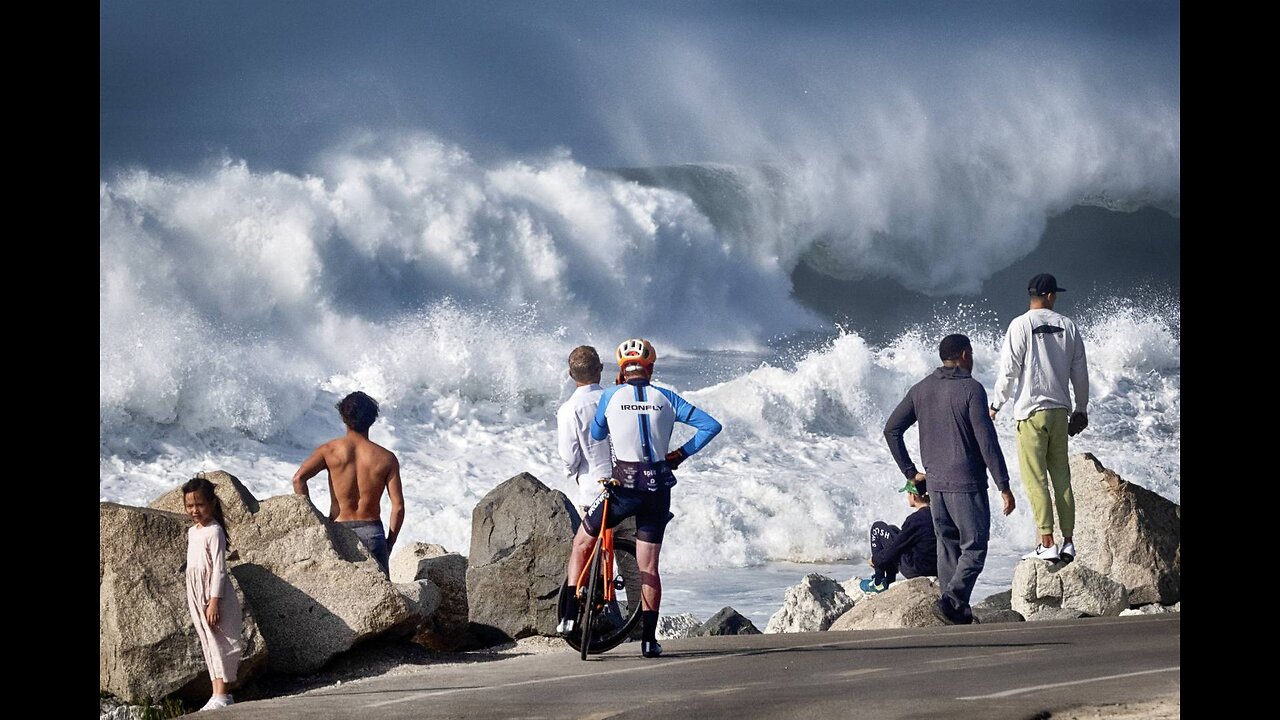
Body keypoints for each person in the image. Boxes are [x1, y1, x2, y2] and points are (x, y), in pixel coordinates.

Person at [559, 338, 722, 658]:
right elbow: (710, 426)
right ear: (651, 368)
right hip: (658, 490)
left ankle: (567, 616)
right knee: (649, 567)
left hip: (623, 490)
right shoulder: (667, 397)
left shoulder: (611, 397)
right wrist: (676, 455)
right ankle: (649, 641)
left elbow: (596, 435)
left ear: (621, 369)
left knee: (582, 544)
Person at [883, 333, 1016, 625]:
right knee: (975, 546)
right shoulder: (972, 389)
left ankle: (955, 612)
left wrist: (910, 472)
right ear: (965, 355)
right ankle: (951, 601)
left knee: (948, 547)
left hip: (936, 486)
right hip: (966, 484)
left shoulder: (921, 389)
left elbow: (891, 430)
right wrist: (1003, 485)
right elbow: (987, 441)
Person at [989, 273, 1090, 563]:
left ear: (1032, 294)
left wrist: (996, 404)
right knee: (1062, 478)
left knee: (1036, 480)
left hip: (1030, 413)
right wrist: (1081, 408)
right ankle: (1068, 542)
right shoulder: (1068, 326)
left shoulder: (1020, 325)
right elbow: (1080, 373)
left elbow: (1009, 370)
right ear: (1050, 295)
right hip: (1060, 411)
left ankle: (1047, 542)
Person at [292, 391, 405, 577]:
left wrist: (313, 519)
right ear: (372, 419)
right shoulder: (386, 458)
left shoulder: (329, 451)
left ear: (344, 417)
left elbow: (298, 479)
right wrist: (389, 543)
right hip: (372, 533)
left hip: (340, 532)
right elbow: (398, 507)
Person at [182, 475, 244, 711]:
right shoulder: (192, 532)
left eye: (199, 504)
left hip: (214, 595)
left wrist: (214, 601)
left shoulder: (214, 531)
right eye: (189, 506)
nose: (194, 510)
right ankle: (217, 694)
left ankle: (222, 693)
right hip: (196, 594)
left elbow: (219, 568)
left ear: (212, 504)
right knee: (208, 642)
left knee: (220, 641)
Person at [556, 345, 614, 517]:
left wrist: (570, 472)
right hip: (630, 491)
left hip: (593, 493)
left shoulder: (569, 410)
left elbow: (570, 457)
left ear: (571, 374)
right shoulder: (617, 399)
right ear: (600, 369)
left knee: (589, 544)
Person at [860, 477, 938, 594]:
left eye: (908, 493)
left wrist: (875, 560)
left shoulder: (915, 520)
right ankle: (890, 581)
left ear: (914, 496)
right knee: (892, 529)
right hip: (935, 568)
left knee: (878, 527)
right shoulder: (938, 516)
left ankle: (878, 582)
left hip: (916, 569)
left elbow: (895, 548)